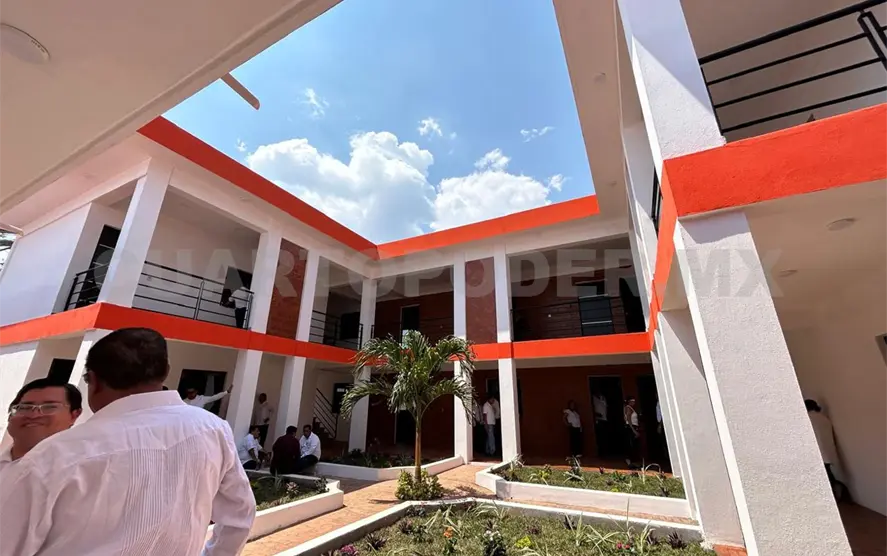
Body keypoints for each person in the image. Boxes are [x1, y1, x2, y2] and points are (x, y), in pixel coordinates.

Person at [0, 327, 255, 555]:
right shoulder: (213, 429)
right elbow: (240, 516)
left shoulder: (53, 457)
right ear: (165, 372)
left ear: (93, 381)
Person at [1, 379, 82, 473]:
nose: (34, 415)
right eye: (25, 408)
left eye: (49, 407)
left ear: (74, 415)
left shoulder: (76, 472)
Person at [806, 399, 839, 487]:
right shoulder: (824, 418)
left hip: (817, 453)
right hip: (828, 452)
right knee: (828, 475)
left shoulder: (808, 419)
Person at [623, 396, 640, 467]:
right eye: (633, 401)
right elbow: (628, 420)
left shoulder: (630, 408)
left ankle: (633, 461)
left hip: (633, 427)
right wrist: (633, 430)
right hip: (631, 427)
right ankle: (630, 462)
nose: (634, 403)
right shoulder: (628, 408)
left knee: (633, 445)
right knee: (631, 445)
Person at [592, 391, 609, 457]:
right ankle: (600, 453)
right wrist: (596, 414)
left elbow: (606, 407)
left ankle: (605, 452)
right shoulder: (593, 398)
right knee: (600, 436)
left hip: (605, 419)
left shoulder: (603, 398)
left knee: (605, 436)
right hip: (598, 420)